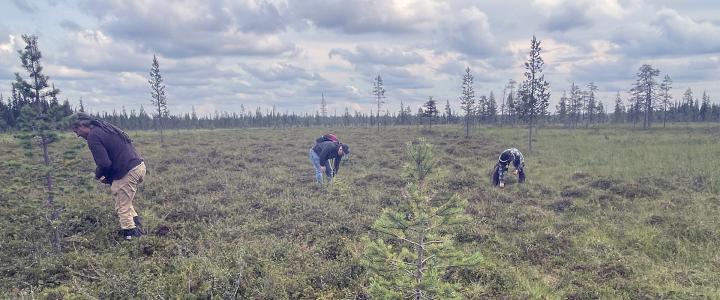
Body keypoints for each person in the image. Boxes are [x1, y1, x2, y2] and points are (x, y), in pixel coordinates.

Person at [70, 113, 146, 240]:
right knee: (124, 201)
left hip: (128, 171)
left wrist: (99, 175)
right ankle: (137, 224)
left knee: (123, 207)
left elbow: (104, 163)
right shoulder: (105, 129)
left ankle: (131, 236)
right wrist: (109, 177)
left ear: (83, 125)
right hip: (138, 167)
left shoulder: (93, 136)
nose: (77, 134)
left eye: (76, 130)